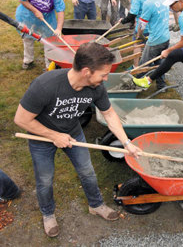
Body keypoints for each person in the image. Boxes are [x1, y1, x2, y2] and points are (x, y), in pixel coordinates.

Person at [14, 43, 140, 238]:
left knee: (87, 172)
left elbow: (109, 114)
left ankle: (96, 205)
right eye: (103, 74)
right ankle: (48, 214)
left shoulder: (96, 87)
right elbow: (21, 119)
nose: (106, 78)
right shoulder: (45, 85)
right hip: (40, 137)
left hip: (73, 132)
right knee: (45, 180)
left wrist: (126, 143)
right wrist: (54, 136)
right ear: (86, 71)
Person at [16, 0, 65, 70]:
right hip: (27, 16)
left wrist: (58, 28)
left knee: (49, 41)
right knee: (27, 38)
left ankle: (49, 65)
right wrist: (35, 11)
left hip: (47, 19)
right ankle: (28, 61)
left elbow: (60, 11)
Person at [134, 0, 170, 90]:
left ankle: (136, 87)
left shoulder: (148, 3)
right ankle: (161, 85)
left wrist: (139, 35)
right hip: (165, 38)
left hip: (155, 40)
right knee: (160, 63)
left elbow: (142, 24)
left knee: (143, 65)